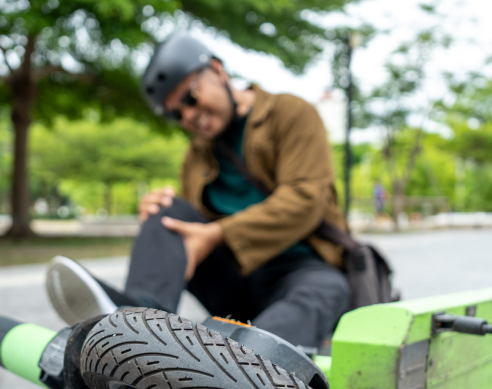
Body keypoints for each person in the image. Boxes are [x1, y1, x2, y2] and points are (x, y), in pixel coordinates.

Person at [45, 34, 350, 349]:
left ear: (217, 70)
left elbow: (306, 199)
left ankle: (251, 362)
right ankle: (137, 324)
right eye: (176, 114)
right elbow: (191, 230)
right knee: (168, 212)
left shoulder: (290, 112)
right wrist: (161, 221)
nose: (188, 116)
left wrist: (218, 234)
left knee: (326, 288)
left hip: (302, 271)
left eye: (190, 98)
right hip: (236, 281)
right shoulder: (197, 155)